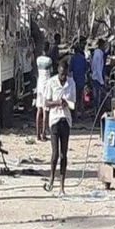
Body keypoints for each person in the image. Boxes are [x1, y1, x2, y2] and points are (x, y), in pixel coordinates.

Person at [43, 60, 76, 195]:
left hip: (65, 120)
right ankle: (51, 178)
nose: (63, 77)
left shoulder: (71, 83)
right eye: (61, 74)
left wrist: (66, 103)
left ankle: (62, 186)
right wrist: (57, 102)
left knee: (64, 155)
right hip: (55, 120)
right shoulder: (51, 82)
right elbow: (46, 102)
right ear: (58, 71)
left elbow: (73, 103)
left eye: (65, 75)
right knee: (55, 153)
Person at [35, 42, 52, 141]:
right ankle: (44, 134)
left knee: (39, 110)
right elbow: (51, 72)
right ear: (48, 49)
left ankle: (37, 134)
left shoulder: (38, 59)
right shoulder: (49, 60)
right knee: (45, 111)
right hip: (46, 85)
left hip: (39, 84)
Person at [69, 44, 88, 120]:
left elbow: (70, 69)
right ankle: (82, 115)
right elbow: (86, 68)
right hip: (82, 80)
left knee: (75, 99)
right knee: (81, 98)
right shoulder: (83, 58)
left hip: (75, 80)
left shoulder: (73, 58)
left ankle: (75, 116)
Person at [91, 39, 106, 115]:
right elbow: (99, 69)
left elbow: (93, 66)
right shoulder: (99, 54)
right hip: (98, 78)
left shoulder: (96, 53)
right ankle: (97, 112)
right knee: (98, 97)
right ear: (101, 45)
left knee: (96, 96)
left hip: (95, 77)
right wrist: (102, 82)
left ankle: (95, 111)